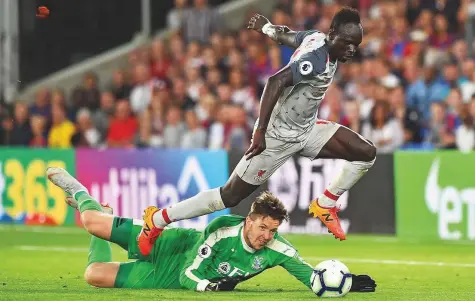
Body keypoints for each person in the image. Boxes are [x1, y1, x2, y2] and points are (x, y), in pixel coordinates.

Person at [137, 6, 377, 255]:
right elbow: (275, 81)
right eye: (347, 42)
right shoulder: (316, 60)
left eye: (356, 45)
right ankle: (158, 220)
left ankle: (325, 204)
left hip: (306, 129)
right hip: (276, 136)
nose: (351, 50)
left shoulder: (315, 36)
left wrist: (265, 28)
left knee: (365, 152)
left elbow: (289, 36)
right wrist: (260, 131)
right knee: (229, 196)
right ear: (333, 33)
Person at [46, 167, 376, 293]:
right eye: (262, 228)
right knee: (91, 221)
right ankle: (81, 193)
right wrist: (209, 289)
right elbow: (192, 273)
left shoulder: (276, 249)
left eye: (272, 231)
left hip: (165, 279)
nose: (266, 237)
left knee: (92, 275)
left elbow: (308, 274)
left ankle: (103, 215)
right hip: (170, 246)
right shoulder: (222, 230)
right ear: (249, 219)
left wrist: (343, 283)